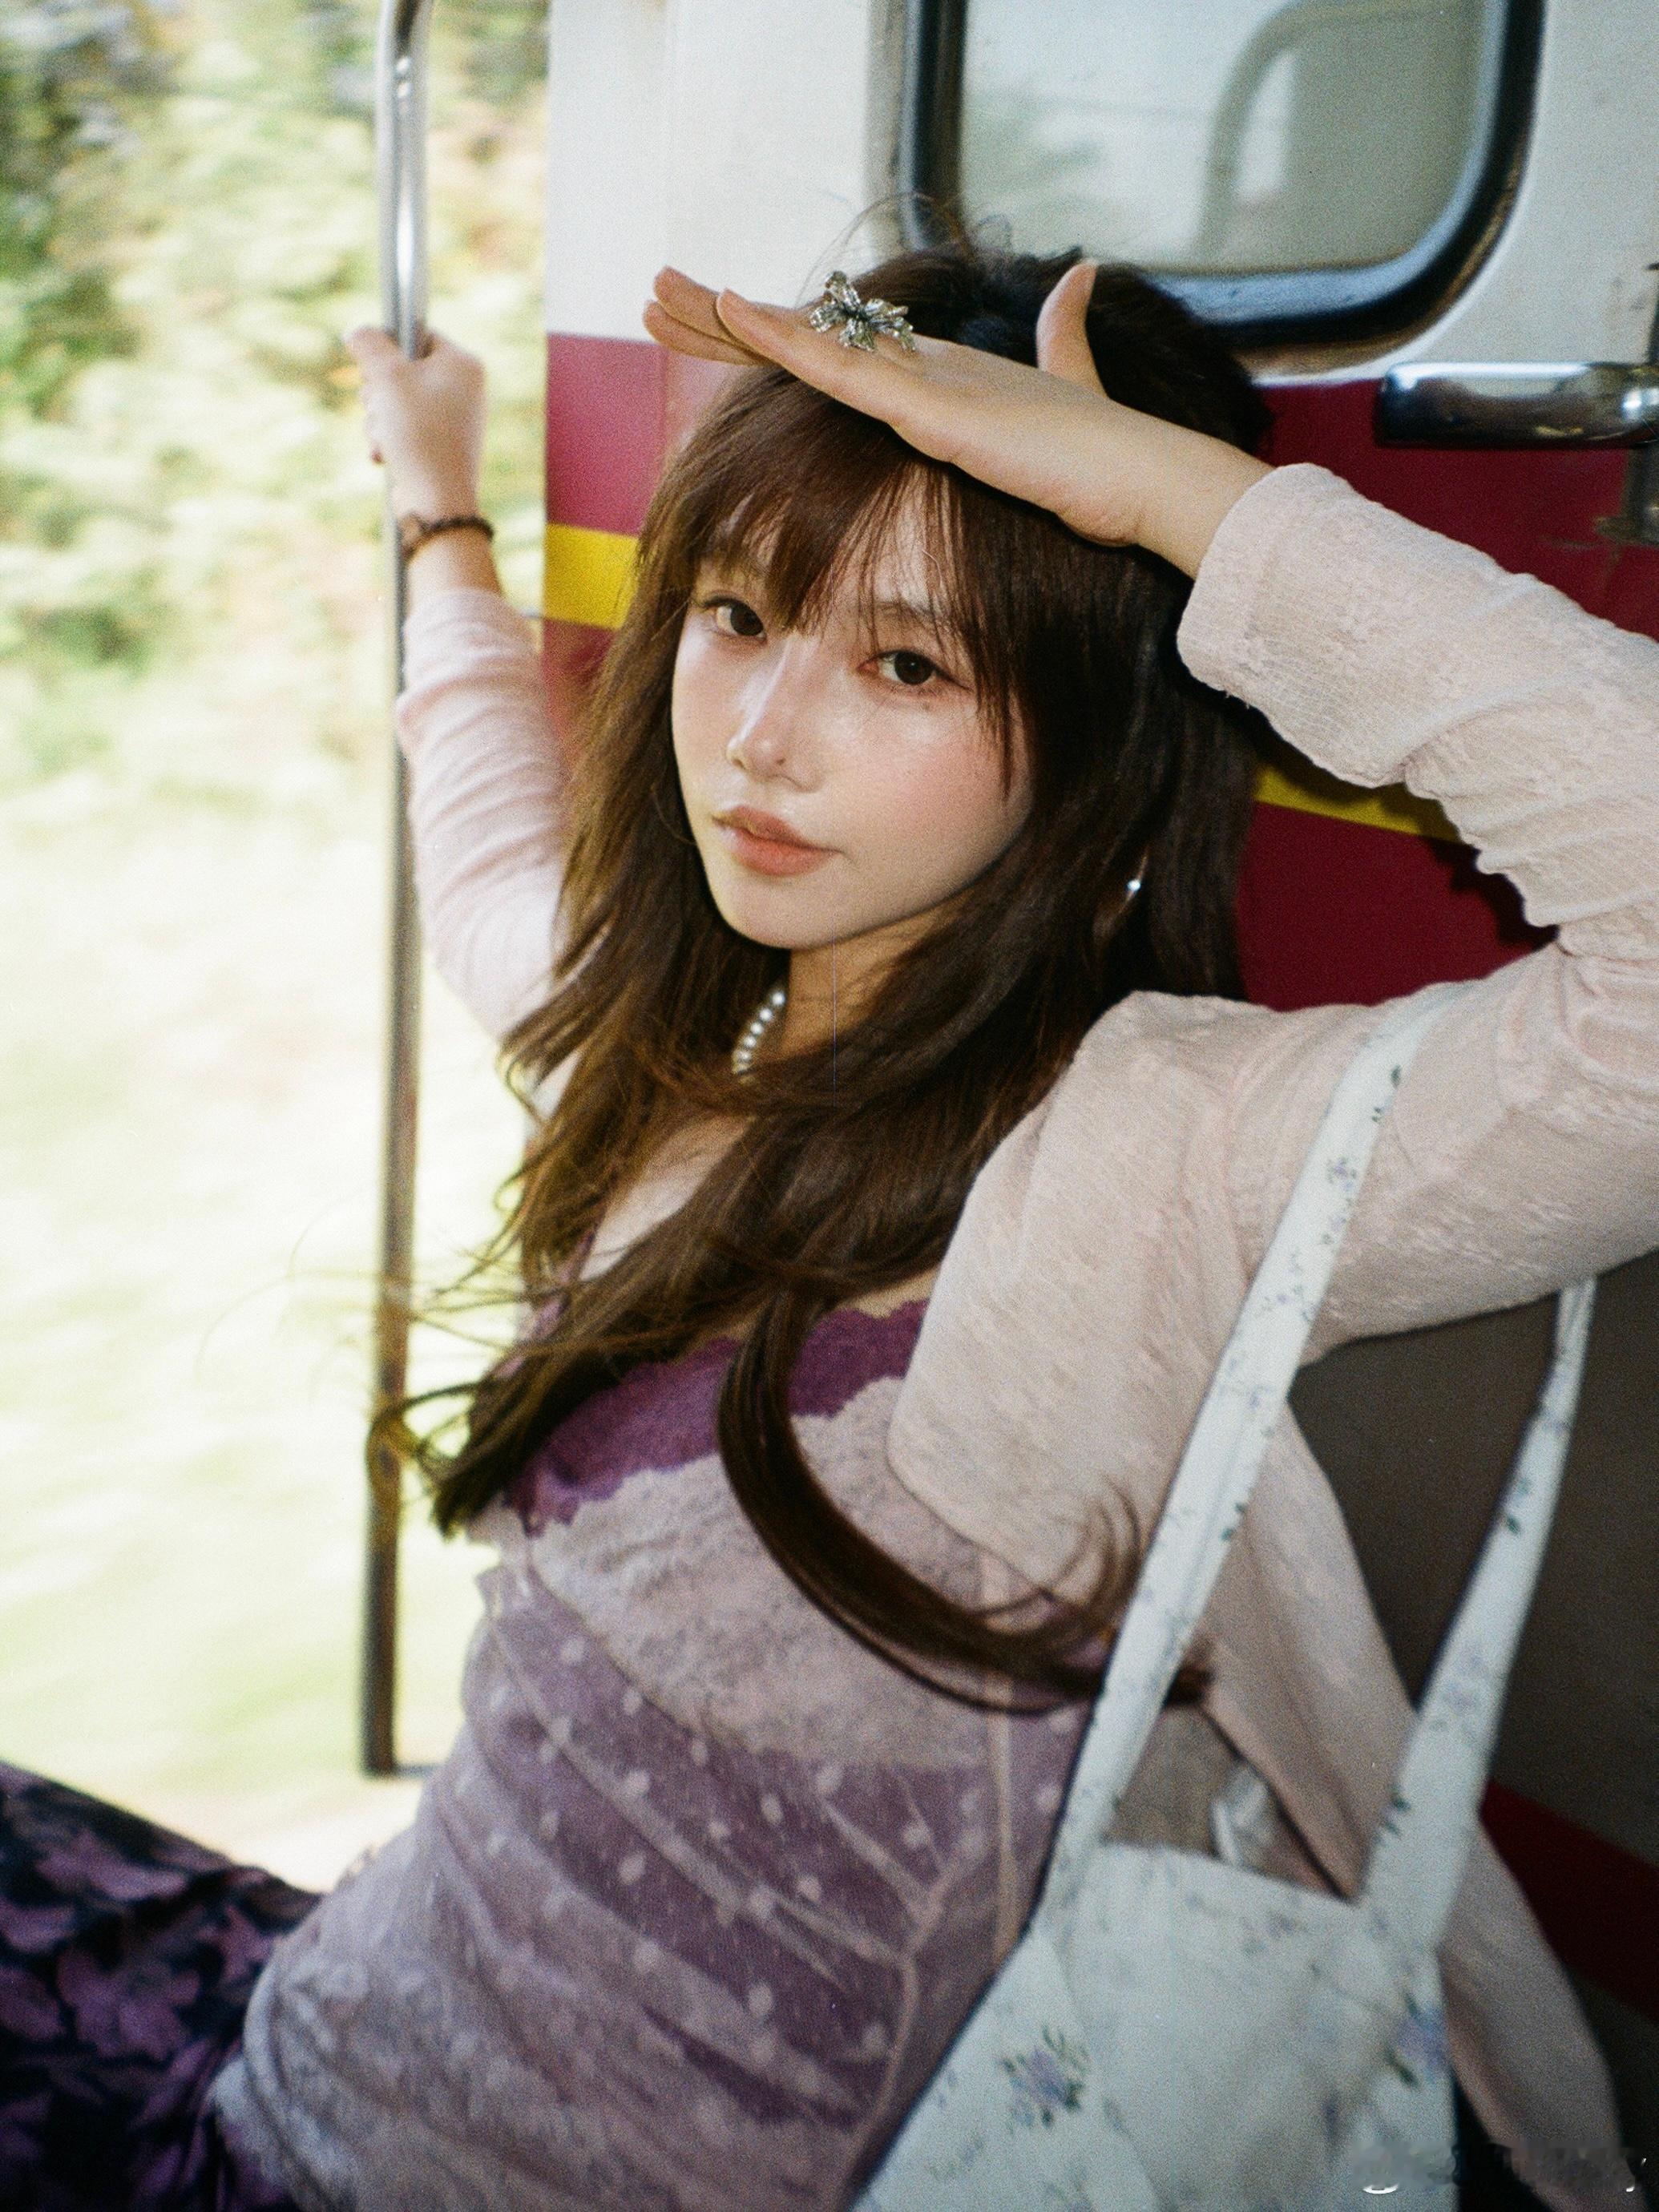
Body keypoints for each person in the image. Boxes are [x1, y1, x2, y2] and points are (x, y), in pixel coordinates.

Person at [2, 242, 1653, 2212]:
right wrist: (438, 495)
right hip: (310, 2044)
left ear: (1103, 732)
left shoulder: (1167, 1159)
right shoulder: (673, 1048)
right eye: (736, 615)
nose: (759, 739)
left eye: (907, 665)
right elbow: (489, 827)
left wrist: (1182, 510)